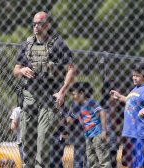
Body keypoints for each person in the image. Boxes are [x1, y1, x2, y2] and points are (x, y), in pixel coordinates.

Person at [13, 11, 75, 167]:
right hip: (30, 97)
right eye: (33, 23)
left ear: (47, 25)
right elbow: (15, 69)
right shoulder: (27, 44)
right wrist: (21, 71)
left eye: (39, 23)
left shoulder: (58, 44)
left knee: (43, 139)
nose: (35, 26)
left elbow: (71, 69)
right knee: (27, 138)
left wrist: (62, 92)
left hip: (49, 97)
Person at [110, 63, 144, 168]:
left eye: (137, 75)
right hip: (129, 131)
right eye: (133, 75)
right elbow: (130, 101)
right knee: (129, 163)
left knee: (140, 163)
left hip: (140, 132)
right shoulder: (135, 89)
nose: (134, 78)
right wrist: (119, 96)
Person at [67, 82, 111, 168]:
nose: (73, 97)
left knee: (103, 159)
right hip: (88, 136)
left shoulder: (91, 102)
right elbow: (68, 120)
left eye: (74, 94)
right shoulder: (75, 106)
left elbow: (102, 113)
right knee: (91, 160)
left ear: (81, 93)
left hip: (97, 134)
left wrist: (104, 131)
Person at [66, 102, 88, 168]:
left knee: (78, 161)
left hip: (77, 135)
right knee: (89, 159)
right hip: (88, 133)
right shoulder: (91, 102)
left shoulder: (75, 104)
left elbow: (68, 120)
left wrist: (73, 114)